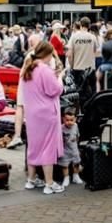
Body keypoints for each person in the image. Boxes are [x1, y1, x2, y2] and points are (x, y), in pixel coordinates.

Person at [21, 41, 65, 194]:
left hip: (32, 114)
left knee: (34, 146)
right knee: (48, 147)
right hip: (47, 113)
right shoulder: (45, 70)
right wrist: (60, 78)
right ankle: (49, 183)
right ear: (48, 54)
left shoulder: (28, 68)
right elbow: (55, 90)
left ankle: (31, 180)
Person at [66, 19, 99, 91]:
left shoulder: (74, 37)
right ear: (89, 26)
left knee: (78, 92)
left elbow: (69, 54)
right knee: (91, 92)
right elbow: (95, 52)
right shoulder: (92, 37)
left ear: (80, 25)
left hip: (77, 68)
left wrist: (72, 66)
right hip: (90, 69)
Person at [57, 109, 84, 187]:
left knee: (76, 163)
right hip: (65, 150)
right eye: (67, 120)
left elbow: (77, 136)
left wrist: (77, 145)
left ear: (75, 119)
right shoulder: (61, 128)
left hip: (74, 149)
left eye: (71, 120)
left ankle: (76, 176)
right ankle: (66, 177)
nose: (69, 122)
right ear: (63, 119)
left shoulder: (75, 126)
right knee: (64, 165)